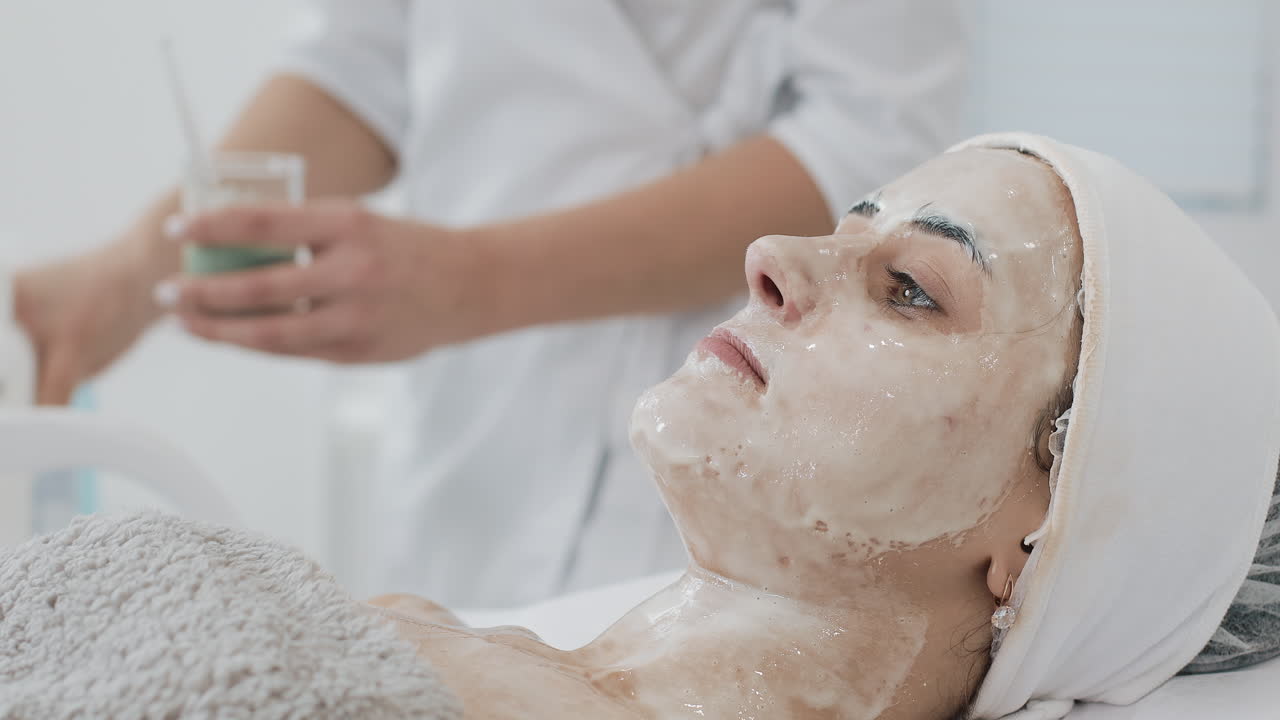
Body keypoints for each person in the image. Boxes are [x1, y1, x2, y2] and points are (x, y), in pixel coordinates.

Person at [14, 1, 971, 607]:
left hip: (719, 388)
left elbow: (865, 143)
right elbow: (361, 60)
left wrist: (467, 282)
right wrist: (133, 273)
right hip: (473, 424)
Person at [364, 134, 1280, 718]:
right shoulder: (426, 641)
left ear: (1044, 540)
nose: (773, 255)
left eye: (911, 290)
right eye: (845, 232)